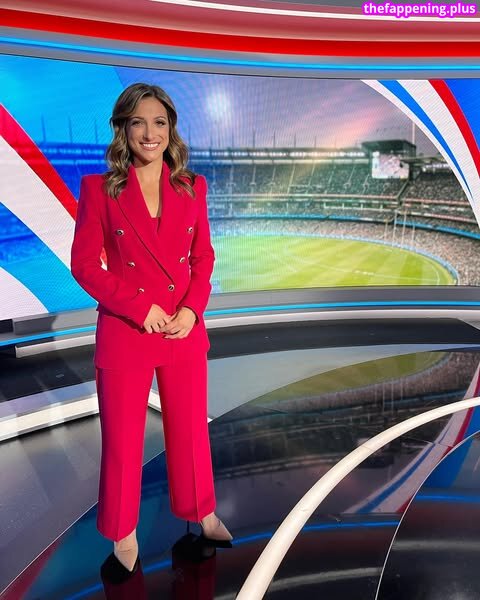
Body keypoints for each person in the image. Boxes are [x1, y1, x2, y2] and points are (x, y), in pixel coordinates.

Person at [70, 82, 233, 573]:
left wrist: (192, 310)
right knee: (123, 441)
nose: (149, 133)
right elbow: (85, 266)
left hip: (183, 328)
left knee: (191, 433)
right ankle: (123, 533)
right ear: (123, 128)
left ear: (170, 129)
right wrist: (140, 307)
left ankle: (202, 512)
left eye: (159, 122)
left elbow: (203, 258)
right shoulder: (98, 189)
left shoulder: (192, 187)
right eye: (138, 122)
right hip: (127, 331)